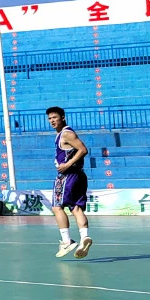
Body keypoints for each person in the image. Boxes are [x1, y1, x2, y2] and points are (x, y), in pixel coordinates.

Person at [48, 106, 92, 258]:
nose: (52, 121)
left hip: (67, 175)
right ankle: (85, 237)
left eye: (55, 117)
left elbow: (83, 149)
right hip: (78, 175)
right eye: (50, 118)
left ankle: (66, 241)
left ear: (63, 118)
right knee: (76, 208)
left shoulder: (66, 134)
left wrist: (67, 164)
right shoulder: (63, 134)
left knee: (57, 207)